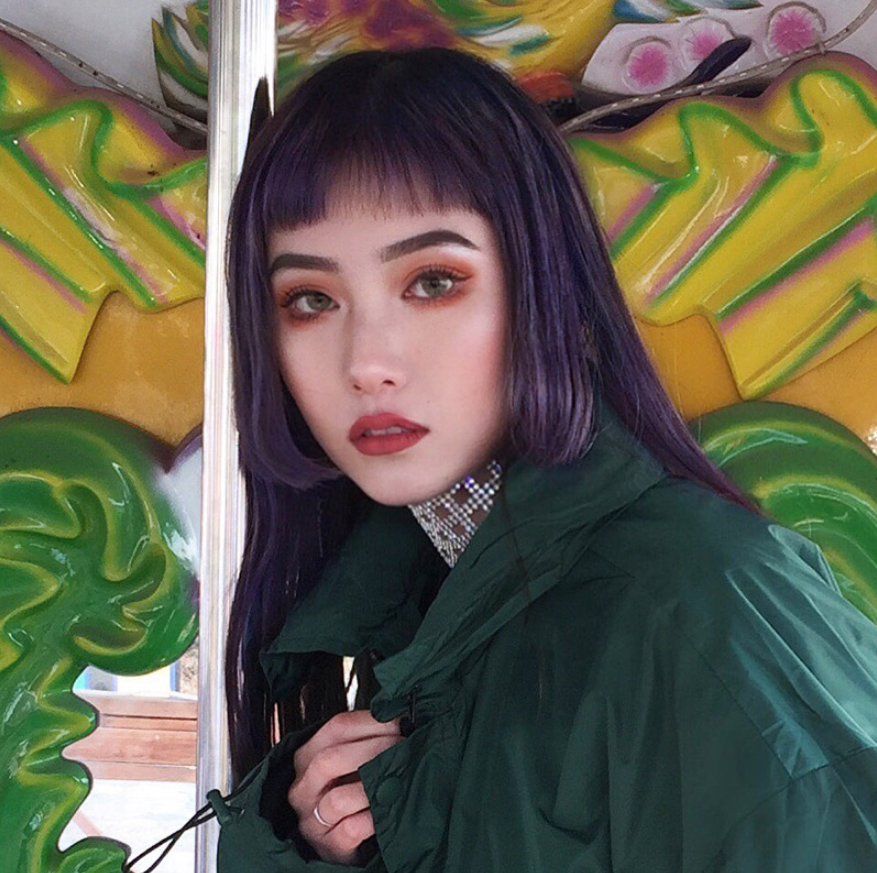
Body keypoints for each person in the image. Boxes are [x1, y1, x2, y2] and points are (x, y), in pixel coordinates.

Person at [209, 45, 877, 872]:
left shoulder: (703, 605)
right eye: (311, 299)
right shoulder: (420, 606)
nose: (366, 361)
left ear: (549, 289)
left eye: (432, 282)